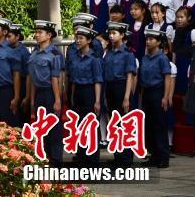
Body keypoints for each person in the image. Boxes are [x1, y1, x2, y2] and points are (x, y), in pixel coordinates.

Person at [27, 20, 63, 166]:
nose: (37, 35)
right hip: (39, 93)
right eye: (36, 32)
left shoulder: (54, 54)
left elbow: (56, 79)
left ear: (49, 35)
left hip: (50, 93)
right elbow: (33, 77)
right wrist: (31, 99)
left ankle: (56, 161)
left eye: (40, 32)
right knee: (42, 128)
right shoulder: (35, 53)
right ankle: (46, 159)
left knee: (54, 129)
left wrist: (57, 99)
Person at [66, 25, 103, 164]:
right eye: (77, 38)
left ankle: (93, 159)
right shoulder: (75, 58)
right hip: (78, 92)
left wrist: (97, 100)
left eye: (81, 38)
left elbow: (98, 80)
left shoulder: (94, 59)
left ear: (88, 40)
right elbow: (73, 78)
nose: (78, 40)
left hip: (90, 92)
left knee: (91, 125)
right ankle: (81, 156)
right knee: (79, 124)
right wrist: (72, 95)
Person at [102, 21, 136, 166]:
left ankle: (127, 158)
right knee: (115, 124)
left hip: (122, 87)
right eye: (110, 33)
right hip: (110, 88)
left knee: (125, 124)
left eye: (114, 33)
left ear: (122, 35)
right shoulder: (108, 53)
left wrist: (127, 96)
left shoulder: (127, 54)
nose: (111, 36)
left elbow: (130, 76)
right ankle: (118, 156)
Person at [139, 27, 173, 168]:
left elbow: (167, 77)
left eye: (151, 39)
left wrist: (165, 96)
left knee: (160, 125)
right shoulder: (144, 58)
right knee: (149, 126)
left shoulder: (162, 58)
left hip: (158, 92)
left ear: (158, 42)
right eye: (147, 39)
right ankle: (153, 155)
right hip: (147, 93)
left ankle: (163, 157)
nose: (148, 41)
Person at [7, 23, 30, 125]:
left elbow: (29, 74)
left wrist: (27, 96)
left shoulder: (23, 52)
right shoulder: (8, 49)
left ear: (17, 37)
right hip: (11, 84)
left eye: (9, 36)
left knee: (21, 118)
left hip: (22, 85)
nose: (7, 39)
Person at [173, 6, 194, 96]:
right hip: (178, 61)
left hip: (188, 62)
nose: (179, 20)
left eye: (182, 17)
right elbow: (174, 48)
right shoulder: (177, 31)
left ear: (189, 18)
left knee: (186, 87)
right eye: (177, 17)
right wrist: (173, 63)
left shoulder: (192, 31)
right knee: (178, 87)